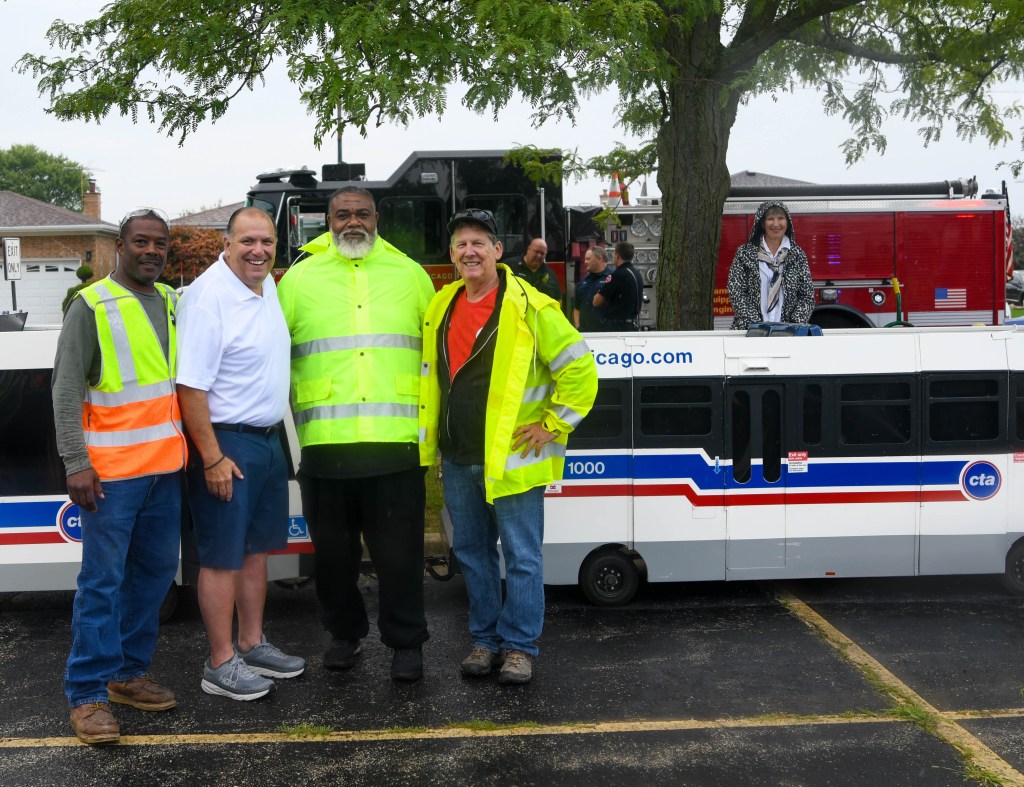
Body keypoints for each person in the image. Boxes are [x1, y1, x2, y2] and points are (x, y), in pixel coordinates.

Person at [419, 209, 598, 685]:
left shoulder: (532, 307)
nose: (469, 251)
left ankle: (519, 647)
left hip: (514, 459)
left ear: (499, 251)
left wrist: (554, 424)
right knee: (474, 555)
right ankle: (485, 640)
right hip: (458, 458)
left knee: (520, 555)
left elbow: (580, 369)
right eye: (461, 245)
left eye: (479, 242)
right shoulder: (441, 305)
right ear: (452, 255)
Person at [277, 186, 435, 682]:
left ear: (377, 218)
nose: (352, 222)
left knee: (400, 556)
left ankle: (406, 643)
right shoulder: (299, 280)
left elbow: (436, 354)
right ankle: (344, 635)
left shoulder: (411, 276)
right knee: (332, 558)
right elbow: (271, 355)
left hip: (396, 444)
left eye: (361, 213)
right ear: (327, 220)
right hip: (324, 447)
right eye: (342, 214)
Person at [52, 208, 186, 745]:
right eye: (141, 242)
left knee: (152, 579)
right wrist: (76, 463)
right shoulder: (91, 305)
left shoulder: (174, 302)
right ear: (120, 247)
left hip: (164, 474)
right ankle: (86, 695)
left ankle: (129, 675)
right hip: (111, 478)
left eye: (160, 244)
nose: (151, 251)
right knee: (102, 586)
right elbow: (65, 390)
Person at [176, 207, 305, 701]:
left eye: (267, 242)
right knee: (223, 557)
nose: (259, 251)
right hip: (227, 443)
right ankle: (220, 662)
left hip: (267, 440)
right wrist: (210, 457)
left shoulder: (264, 284)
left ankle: (251, 644)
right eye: (248, 241)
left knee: (255, 552)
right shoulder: (209, 299)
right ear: (225, 244)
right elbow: (190, 387)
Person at [727, 200, 814, 330]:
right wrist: (755, 325)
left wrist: (795, 324)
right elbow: (736, 291)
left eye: (780, 218)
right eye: (770, 219)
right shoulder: (745, 253)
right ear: (762, 223)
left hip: (788, 333)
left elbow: (806, 295)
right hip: (750, 332)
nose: (776, 224)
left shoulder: (797, 255)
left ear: (787, 222)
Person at [592, 241, 644, 330]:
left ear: (617, 256)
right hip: (632, 324)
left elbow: (596, 301)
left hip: (617, 327)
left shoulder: (617, 275)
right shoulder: (637, 274)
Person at [510, 237, 562, 303]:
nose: (539, 256)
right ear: (528, 249)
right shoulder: (510, 266)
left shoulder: (550, 275)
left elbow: (558, 299)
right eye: (536, 252)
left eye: (542, 253)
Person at [573, 246, 613, 332]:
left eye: (588, 259)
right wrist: (578, 328)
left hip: (606, 333)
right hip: (585, 333)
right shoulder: (583, 282)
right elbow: (576, 307)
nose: (585, 262)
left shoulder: (613, 278)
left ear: (599, 259)